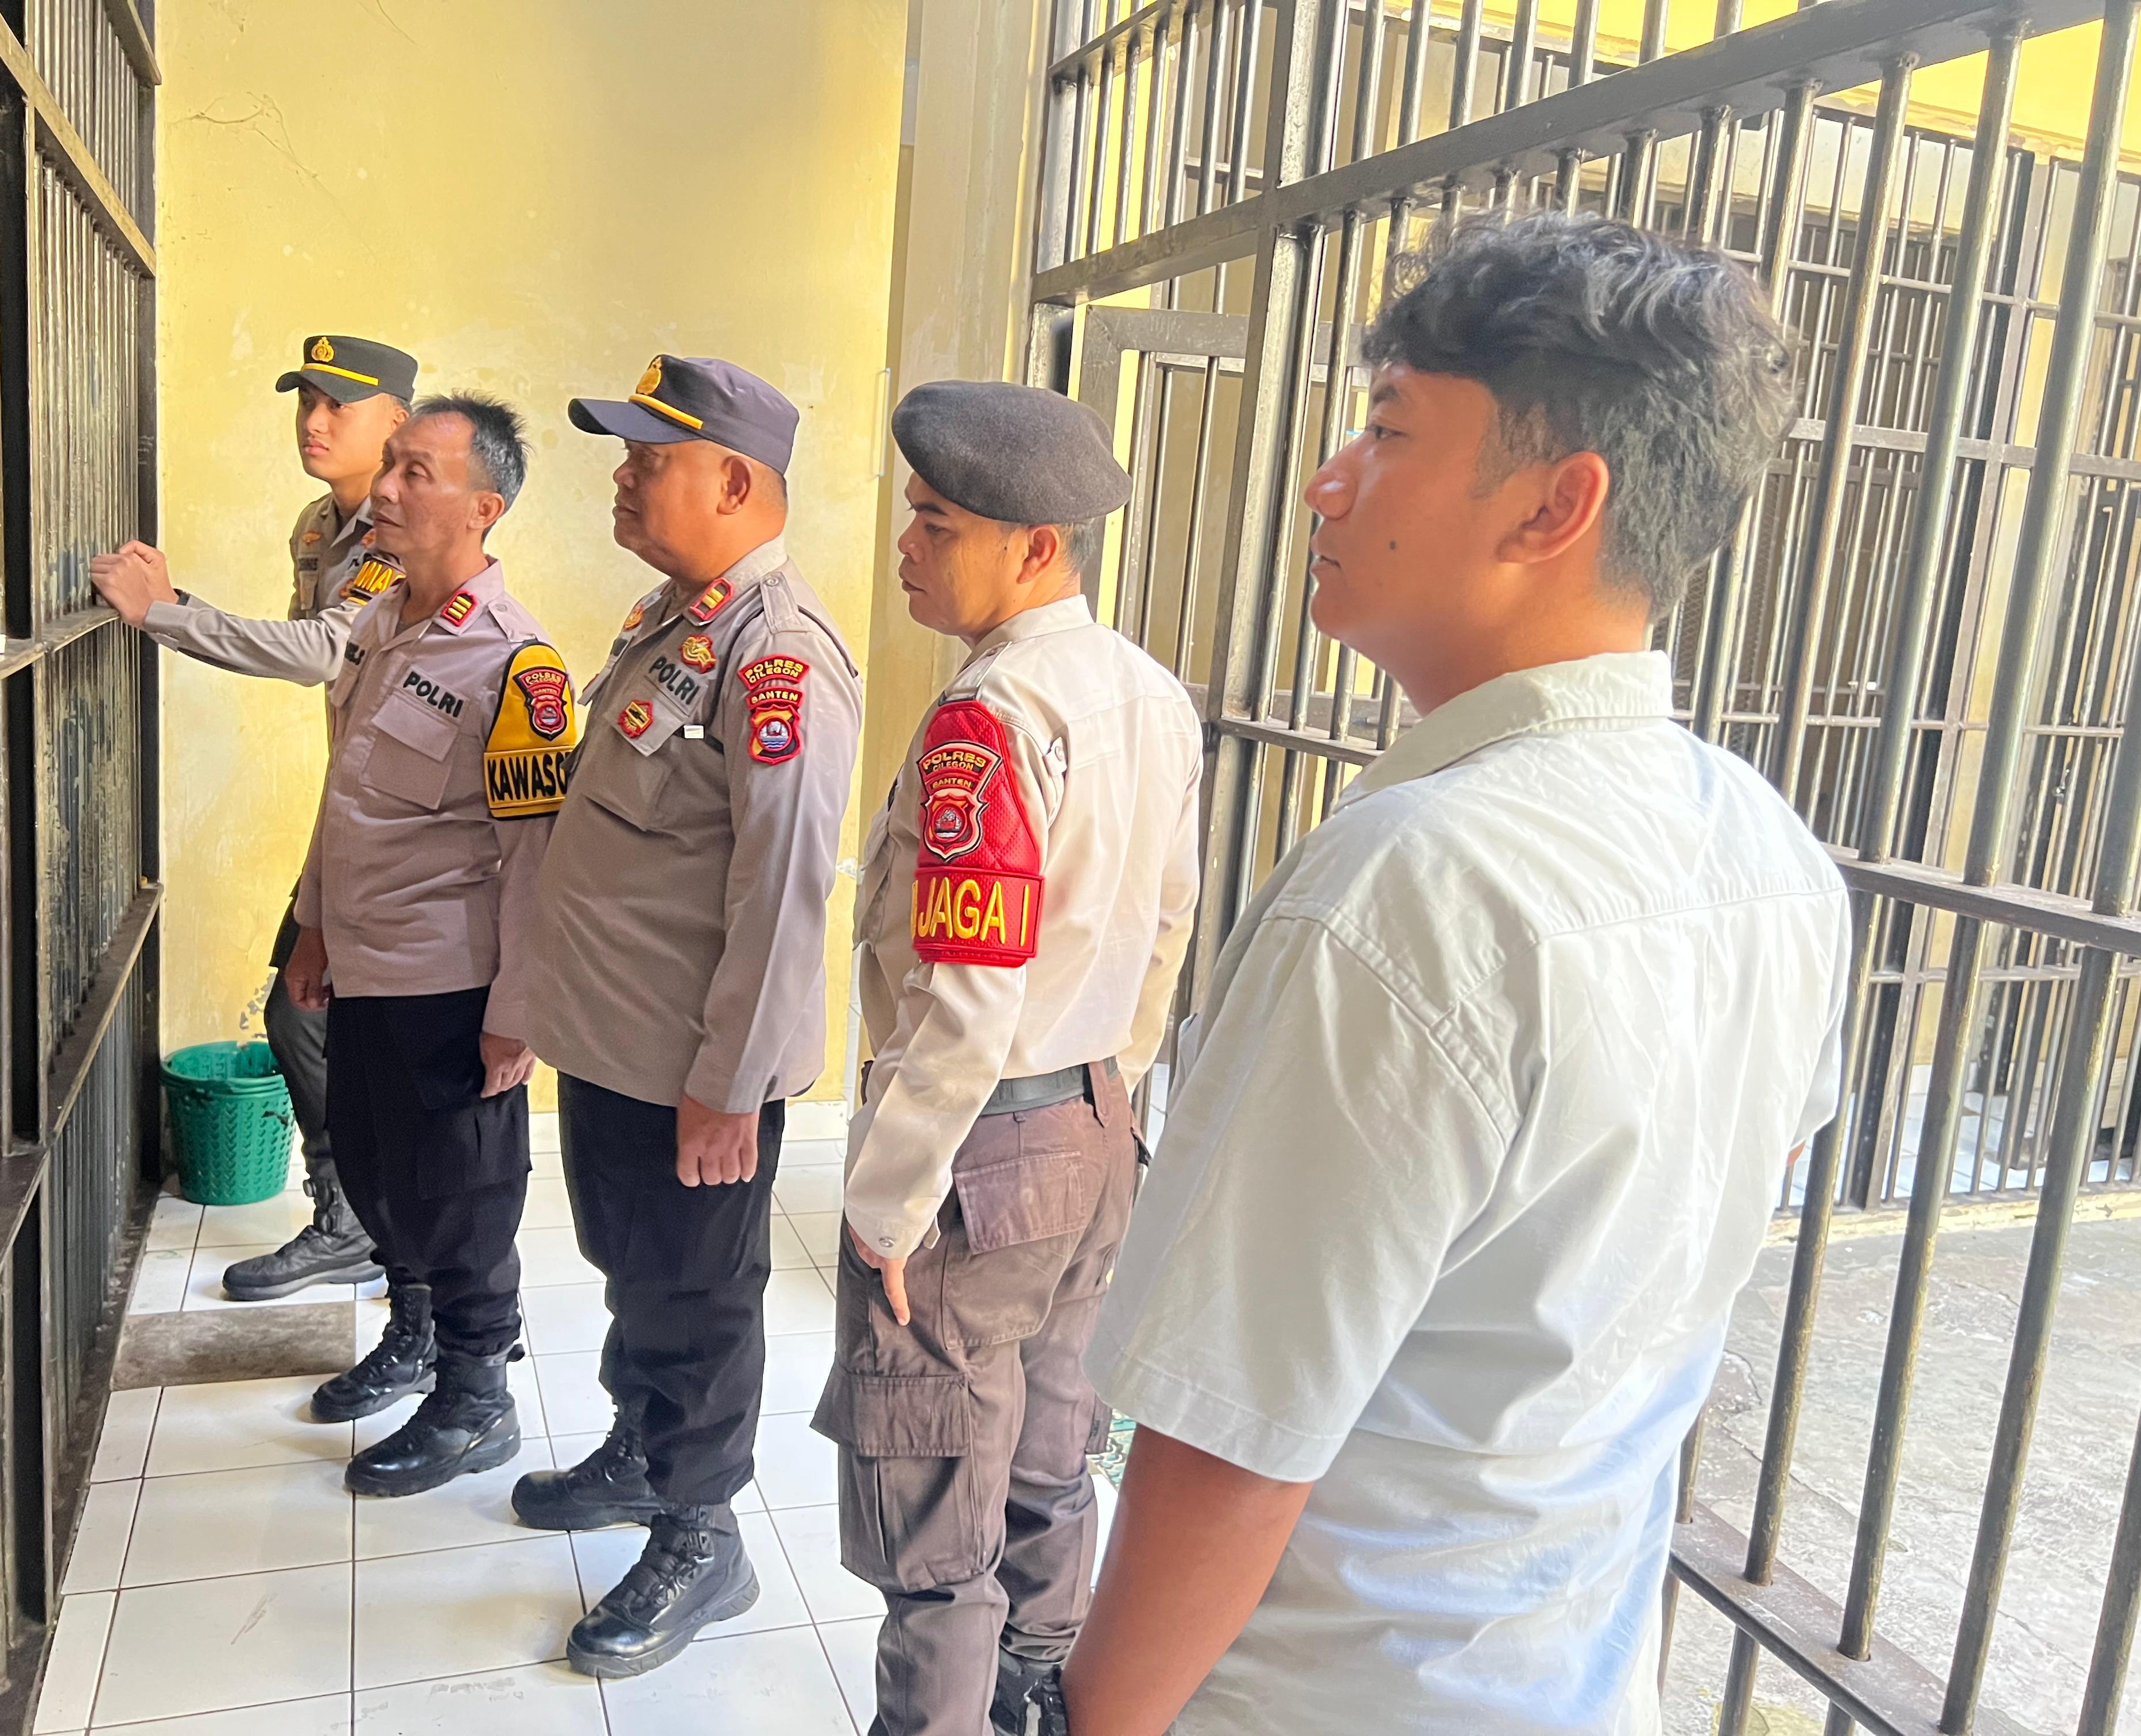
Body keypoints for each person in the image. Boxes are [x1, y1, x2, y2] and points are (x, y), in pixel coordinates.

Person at [1042, 214, 1853, 1736]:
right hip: (1574, 1678)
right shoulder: (1770, 849)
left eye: (1389, 430)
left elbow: (1235, 1441)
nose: (1328, 479)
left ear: (1557, 504)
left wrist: (1098, 1721)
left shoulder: (1411, 883)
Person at [810, 379, 1203, 1736]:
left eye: (937, 523)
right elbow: (1167, 928)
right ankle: (1040, 1693)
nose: (906, 545)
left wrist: (888, 1204)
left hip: (982, 1154)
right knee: (1047, 1453)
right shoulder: (1148, 692)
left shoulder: (993, 713)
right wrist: (1113, 1096)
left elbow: (967, 998)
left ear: (1036, 547)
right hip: (1091, 1125)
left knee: (930, 1500)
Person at [515, 355, 862, 1676]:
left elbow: (784, 893)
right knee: (634, 1269)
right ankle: (640, 1450)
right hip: (616, 1041)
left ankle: (702, 1532)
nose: (621, 478)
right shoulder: (679, 619)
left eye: (648, 460)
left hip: (692, 1068)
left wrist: (732, 1082)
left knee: (700, 1296)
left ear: (734, 480)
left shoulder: (779, 656)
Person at [90, 337, 438, 1425]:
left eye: (341, 405)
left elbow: (323, 651)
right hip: (355, 810)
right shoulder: (319, 527)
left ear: (397, 423)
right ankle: (353, 1222)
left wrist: (164, 614)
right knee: (302, 1014)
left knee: (368, 1046)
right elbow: (312, 645)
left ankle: (414, 1278)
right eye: (306, 401)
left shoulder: (398, 532)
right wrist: (178, 600)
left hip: (413, 830)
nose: (314, 421)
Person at [284, 393, 578, 1498]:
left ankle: (475, 1396)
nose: (387, 492)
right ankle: (414, 1336)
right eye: (392, 466)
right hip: (366, 965)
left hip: (452, 982)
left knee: (460, 1194)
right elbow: (346, 799)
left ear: (483, 509)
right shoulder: (374, 619)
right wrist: (315, 926)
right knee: (375, 1167)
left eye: (417, 473)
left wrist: (520, 1009)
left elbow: (538, 860)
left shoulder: (518, 665)